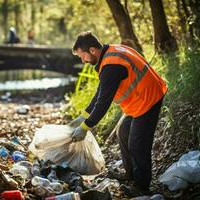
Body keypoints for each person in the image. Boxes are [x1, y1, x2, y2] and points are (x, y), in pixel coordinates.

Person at [69, 31, 167, 197]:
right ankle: (130, 174)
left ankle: (142, 186)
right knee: (123, 133)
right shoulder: (110, 54)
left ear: (92, 50)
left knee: (137, 144)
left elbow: (103, 103)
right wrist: (84, 115)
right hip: (138, 101)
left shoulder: (111, 66)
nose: (83, 60)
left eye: (82, 56)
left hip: (148, 98)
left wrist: (85, 127)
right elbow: (101, 93)